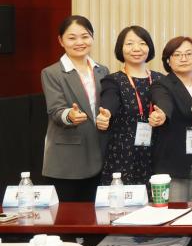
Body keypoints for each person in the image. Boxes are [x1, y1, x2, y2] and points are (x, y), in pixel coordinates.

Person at [40, 16, 110, 202]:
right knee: (67, 216)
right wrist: (69, 115)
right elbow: (55, 110)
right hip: (67, 161)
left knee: (97, 214)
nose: (79, 42)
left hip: (98, 154)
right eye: (72, 38)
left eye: (85, 36)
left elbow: (106, 105)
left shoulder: (102, 70)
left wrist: (107, 116)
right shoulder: (51, 73)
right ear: (61, 41)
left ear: (92, 38)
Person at [96, 25, 165, 186]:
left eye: (142, 43)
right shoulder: (113, 80)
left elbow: (165, 103)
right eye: (129, 44)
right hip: (123, 154)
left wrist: (163, 113)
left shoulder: (160, 79)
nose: (136, 48)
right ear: (121, 48)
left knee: (155, 199)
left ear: (149, 47)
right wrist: (105, 114)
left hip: (156, 152)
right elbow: (110, 100)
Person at [152, 36, 192, 202]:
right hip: (175, 161)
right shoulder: (162, 84)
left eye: (189, 54)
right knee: (175, 211)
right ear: (168, 60)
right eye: (177, 54)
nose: (184, 58)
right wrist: (162, 114)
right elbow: (163, 102)